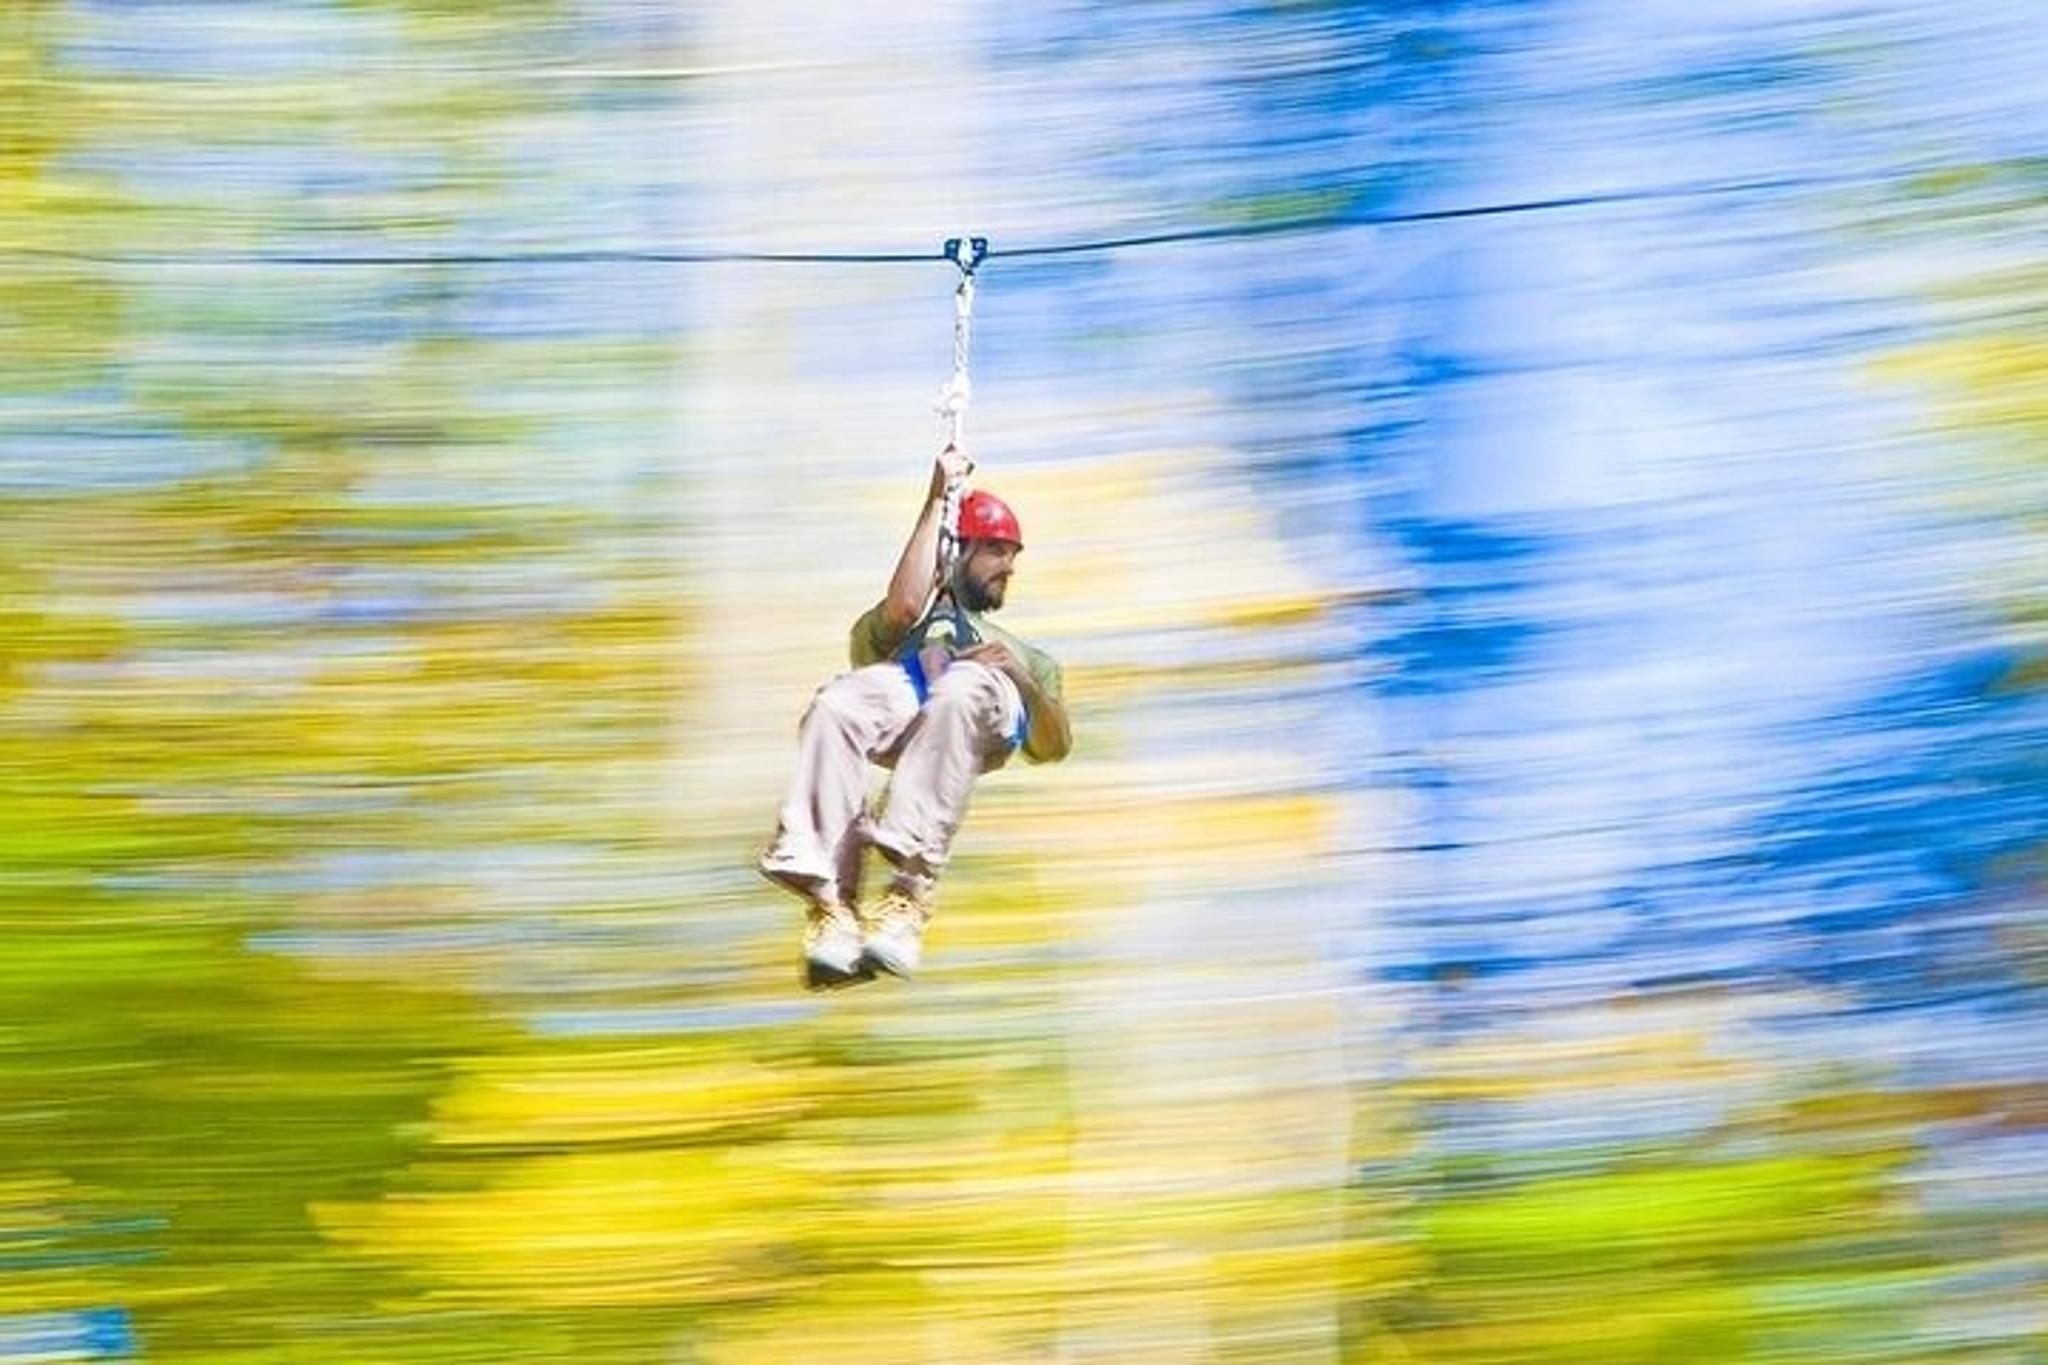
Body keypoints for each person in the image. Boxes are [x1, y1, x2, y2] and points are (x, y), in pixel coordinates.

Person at [759, 446, 1071, 988]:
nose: (1010, 566)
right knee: (835, 705)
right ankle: (832, 903)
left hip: (982, 705)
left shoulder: (1029, 657)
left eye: (1013, 554)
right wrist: (936, 497)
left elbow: (1054, 745)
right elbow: (904, 607)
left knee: (963, 685)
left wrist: (1016, 676)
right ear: (957, 552)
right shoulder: (902, 630)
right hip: (912, 696)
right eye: (996, 550)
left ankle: (908, 892)